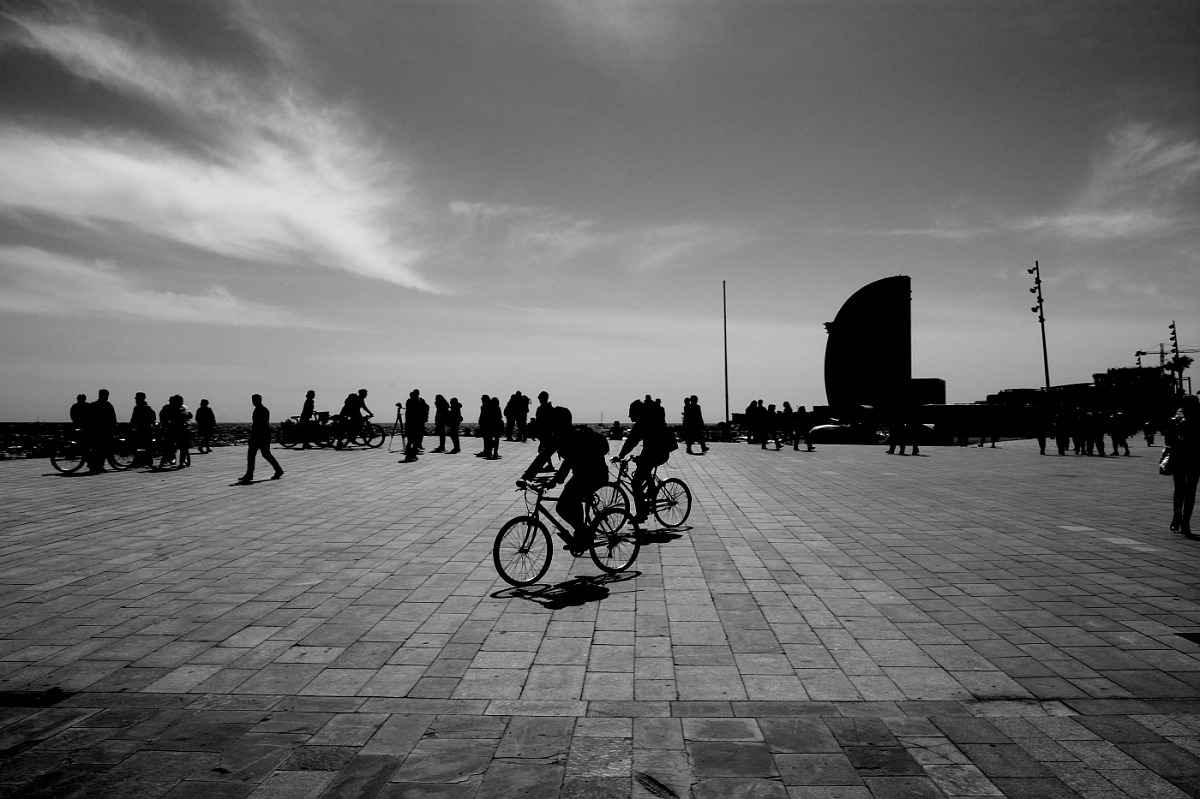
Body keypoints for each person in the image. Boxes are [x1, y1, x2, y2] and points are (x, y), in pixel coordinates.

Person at [519, 406, 609, 553]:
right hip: (582, 474)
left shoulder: (572, 436)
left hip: (594, 474)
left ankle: (585, 534)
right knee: (571, 499)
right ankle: (581, 536)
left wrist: (555, 481)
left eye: (553, 420)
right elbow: (543, 456)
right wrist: (526, 477)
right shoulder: (559, 435)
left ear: (560, 422)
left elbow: (569, 462)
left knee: (563, 505)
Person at [615, 397, 677, 526]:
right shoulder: (645, 422)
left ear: (637, 413)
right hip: (653, 453)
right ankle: (650, 490)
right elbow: (632, 441)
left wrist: (621, 455)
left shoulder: (645, 423)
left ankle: (642, 513)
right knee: (642, 469)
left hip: (659, 453)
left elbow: (632, 441)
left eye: (631, 413)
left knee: (636, 483)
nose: (629, 415)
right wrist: (623, 455)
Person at [1166, 394, 1200, 537]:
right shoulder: (1181, 419)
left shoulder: (1177, 418)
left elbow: (1168, 440)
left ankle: (1179, 518)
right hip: (1192, 458)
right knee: (1188, 491)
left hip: (1182, 457)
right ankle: (1183, 520)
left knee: (1180, 490)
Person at [238, 394, 283, 483]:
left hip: (260, 436)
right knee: (264, 454)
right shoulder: (261, 410)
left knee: (255, 454)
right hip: (263, 435)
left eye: (254, 400)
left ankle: (250, 474)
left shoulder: (261, 410)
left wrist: (254, 436)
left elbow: (258, 425)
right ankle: (277, 470)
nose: (253, 402)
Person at [86, 389, 117, 473]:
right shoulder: (108, 405)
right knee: (103, 449)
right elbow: (113, 419)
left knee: (94, 448)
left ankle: (92, 465)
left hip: (93, 430)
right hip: (104, 431)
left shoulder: (93, 405)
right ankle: (99, 466)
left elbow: (87, 418)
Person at [157, 395, 191, 469]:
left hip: (179, 429)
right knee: (171, 446)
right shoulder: (168, 408)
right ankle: (164, 461)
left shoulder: (183, 408)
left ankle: (180, 462)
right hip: (172, 429)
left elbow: (189, 416)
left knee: (181, 446)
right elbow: (163, 418)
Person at [129, 392, 156, 467]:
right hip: (145, 429)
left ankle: (142, 461)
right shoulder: (147, 408)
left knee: (141, 446)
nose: (136, 400)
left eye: (137, 398)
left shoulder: (139, 408)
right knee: (144, 447)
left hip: (143, 429)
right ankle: (146, 461)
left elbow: (133, 419)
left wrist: (131, 426)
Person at [401, 389, 428, 463]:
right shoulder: (413, 401)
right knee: (412, 440)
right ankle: (410, 453)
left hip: (415, 423)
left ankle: (411, 453)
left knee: (414, 440)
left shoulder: (417, 401)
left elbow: (426, 407)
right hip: (414, 423)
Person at [534, 391, 555, 470]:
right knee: (544, 448)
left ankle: (548, 465)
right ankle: (549, 465)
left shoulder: (541, 409)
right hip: (547, 431)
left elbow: (538, 421)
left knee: (542, 449)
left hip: (544, 431)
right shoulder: (550, 409)